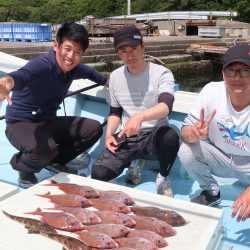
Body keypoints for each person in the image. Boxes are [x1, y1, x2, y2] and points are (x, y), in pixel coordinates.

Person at [0, 22, 108, 188]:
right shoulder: (42, 65)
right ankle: (22, 165)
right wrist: (6, 81)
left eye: (77, 52)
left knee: (93, 129)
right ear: (56, 45)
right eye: (68, 48)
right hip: (20, 123)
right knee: (44, 150)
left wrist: (111, 83)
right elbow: (22, 76)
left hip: (47, 122)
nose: (71, 56)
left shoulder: (74, 69)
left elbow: (94, 74)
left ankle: (56, 162)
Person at [91, 25, 179, 197]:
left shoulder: (162, 73)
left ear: (143, 47)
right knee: (98, 174)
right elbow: (115, 112)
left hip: (154, 135)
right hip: (127, 135)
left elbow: (166, 106)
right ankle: (134, 160)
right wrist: (109, 134)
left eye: (134, 49)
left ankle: (162, 177)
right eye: (123, 51)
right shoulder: (115, 77)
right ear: (118, 53)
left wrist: (140, 116)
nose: (129, 55)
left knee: (171, 137)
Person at [178, 43, 250, 221]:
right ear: (223, 74)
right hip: (222, 157)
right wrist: (193, 134)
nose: (237, 77)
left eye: (245, 70)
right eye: (231, 71)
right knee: (187, 149)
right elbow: (185, 131)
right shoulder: (211, 91)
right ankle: (211, 192)